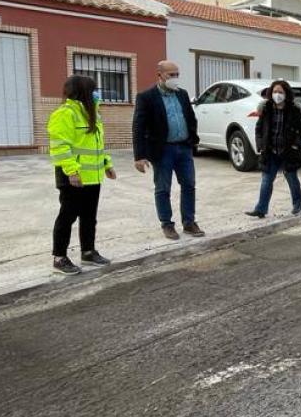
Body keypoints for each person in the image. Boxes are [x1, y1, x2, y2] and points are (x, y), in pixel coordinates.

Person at [48, 75, 116, 275]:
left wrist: (107, 164)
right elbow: (60, 147)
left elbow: (97, 146)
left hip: (93, 177)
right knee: (67, 217)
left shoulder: (93, 113)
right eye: (94, 90)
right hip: (73, 177)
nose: (97, 93)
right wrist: (71, 171)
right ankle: (59, 258)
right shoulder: (65, 113)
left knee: (89, 217)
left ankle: (88, 251)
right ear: (83, 91)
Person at [132, 60, 203, 240]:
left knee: (189, 185)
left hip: (184, 148)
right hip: (162, 150)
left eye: (177, 74)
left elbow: (190, 118)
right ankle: (167, 224)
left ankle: (189, 222)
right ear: (160, 75)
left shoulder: (182, 94)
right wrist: (139, 156)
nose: (175, 78)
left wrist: (193, 140)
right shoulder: (147, 97)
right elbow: (138, 127)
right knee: (163, 188)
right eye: (171, 75)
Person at [246, 79, 301, 219]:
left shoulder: (294, 110)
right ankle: (260, 209)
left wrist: (296, 145)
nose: (277, 94)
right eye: (275, 91)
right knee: (266, 180)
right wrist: (261, 146)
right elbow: (259, 130)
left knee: (292, 179)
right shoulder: (267, 109)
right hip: (270, 152)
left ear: (286, 94)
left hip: (288, 152)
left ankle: (297, 205)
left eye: (280, 92)